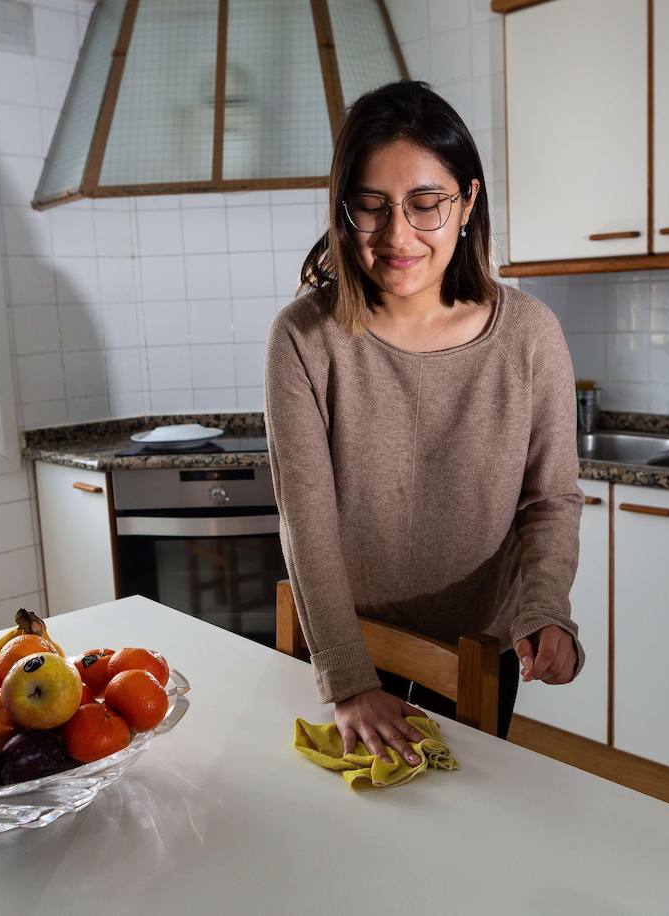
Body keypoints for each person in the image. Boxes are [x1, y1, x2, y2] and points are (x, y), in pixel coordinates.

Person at [264, 79, 583, 767]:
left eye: (425, 205)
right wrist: (351, 681)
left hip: (478, 649)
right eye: (371, 207)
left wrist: (545, 608)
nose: (397, 236)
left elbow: (549, 499)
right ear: (343, 211)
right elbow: (306, 521)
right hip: (342, 646)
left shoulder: (529, 334)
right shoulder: (304, 337)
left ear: (467, 203)